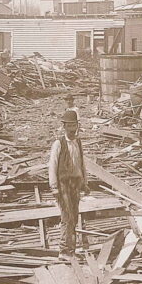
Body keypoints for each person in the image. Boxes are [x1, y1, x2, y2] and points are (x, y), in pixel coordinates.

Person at [47, 109, 89, 260]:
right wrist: (54, 187)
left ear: (77, 126)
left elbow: (81, 164)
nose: (72, 129)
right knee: (67, 217)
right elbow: (52, 165)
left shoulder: (78, 142)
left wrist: (85, 183)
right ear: (64, 126)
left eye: (74, 125)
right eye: (69, 126)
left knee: (75, 217)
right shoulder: (58, 143)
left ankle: (71, 250)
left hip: (75, 185)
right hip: (63, 185)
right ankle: (64, 251)